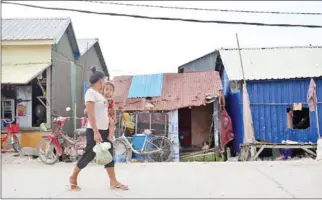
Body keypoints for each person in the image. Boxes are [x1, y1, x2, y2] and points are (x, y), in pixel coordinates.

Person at [69, 67, 128, 191]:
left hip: (105, 130)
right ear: (101, 80)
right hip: (94, 130)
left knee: (109, 154)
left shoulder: (99, 96)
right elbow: (90, 114)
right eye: (105, 80)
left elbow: (97, 110)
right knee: (89, 154)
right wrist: (96, 132)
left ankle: (113, 182)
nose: (105, 82)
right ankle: (73, 177)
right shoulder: (90, 92)